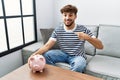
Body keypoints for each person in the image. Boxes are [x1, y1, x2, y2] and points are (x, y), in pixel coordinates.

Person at [28, 4, 103, 73]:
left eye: (70, 15)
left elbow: (100, 46)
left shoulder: (83, 29)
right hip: (63, 54)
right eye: (65, 15)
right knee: (46, 55)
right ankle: (56, 75)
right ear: (62, 16)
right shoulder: (58, 30)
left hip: (78, 56)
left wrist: (87, 37)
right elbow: (47, 45)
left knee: (79, 65)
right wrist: (33, 55)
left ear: (75, 16)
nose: (67, 18)